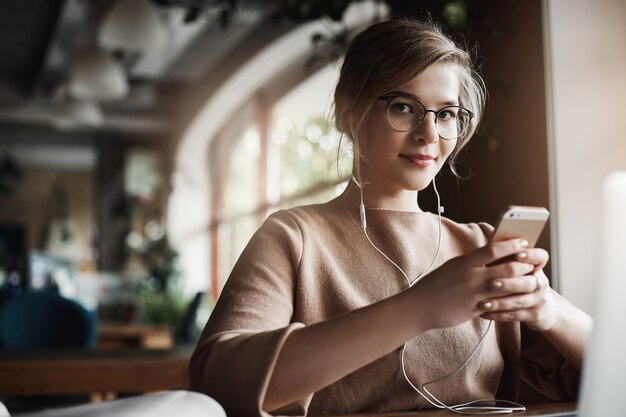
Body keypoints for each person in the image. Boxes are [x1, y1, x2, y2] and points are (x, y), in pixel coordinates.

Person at [189, 19, 592, 417]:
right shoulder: (294, 237)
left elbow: (606, 375)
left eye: (446, 113)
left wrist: (549, 309)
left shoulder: (480, 247)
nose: (429, 133)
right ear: (349, 114)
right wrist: (418, 308)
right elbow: (218, 382)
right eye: (404, 107)